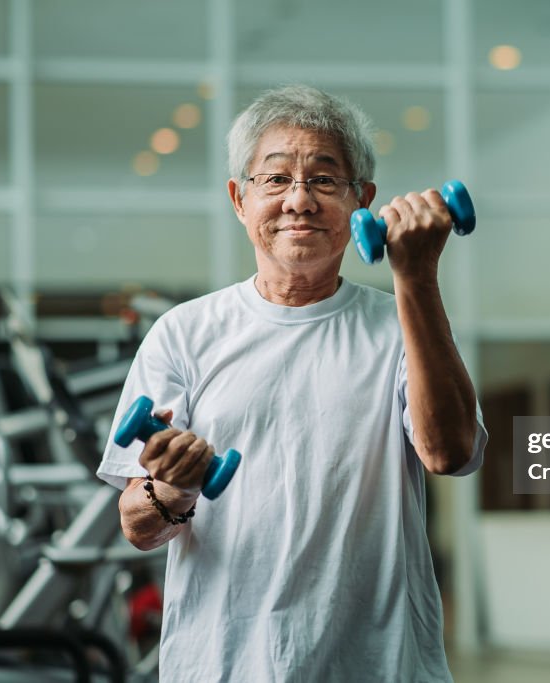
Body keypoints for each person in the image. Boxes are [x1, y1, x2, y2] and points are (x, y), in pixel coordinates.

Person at [96, 84, 487, 682]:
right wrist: (174, 492)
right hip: (221, 667)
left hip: (379, 668)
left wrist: (417, 278)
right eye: (275, 180)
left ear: (364, 201)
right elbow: (136, 526)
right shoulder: (184, 333)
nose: (299, 200)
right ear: (239, 198)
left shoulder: (402, 323)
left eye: (325, 181)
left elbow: (450, 453)